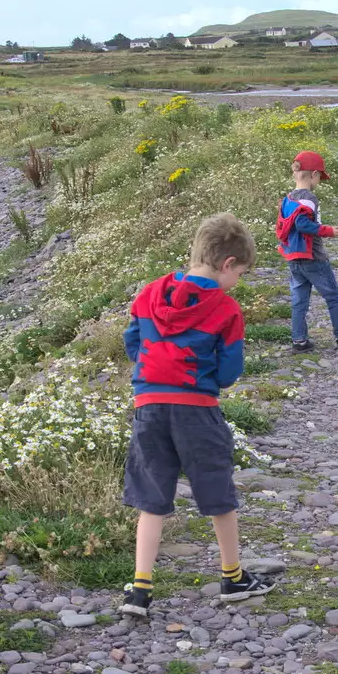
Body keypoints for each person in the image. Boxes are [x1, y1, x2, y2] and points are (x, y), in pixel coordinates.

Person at [119, 212, 276, 620]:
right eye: (239, 273)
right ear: (227, 264)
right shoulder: (225, 310)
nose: (237, 281)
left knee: (152, 500)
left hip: (149, 407)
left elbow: (133, 342)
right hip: (197, 411)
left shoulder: (149, 293)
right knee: (218, 495)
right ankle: (232, 576)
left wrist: (155, 372)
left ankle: (140, 590)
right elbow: (226, 375)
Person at [276, 148, 338, 352]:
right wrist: (328, 231)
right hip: (313, 257)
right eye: (320, 177)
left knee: (299, 301)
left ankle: (299, 341)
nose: (319, 182)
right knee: (333, 295)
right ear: (313, 174)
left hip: (293, 257)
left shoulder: (288, 198)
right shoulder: (308, 198)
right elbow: (302, 224)